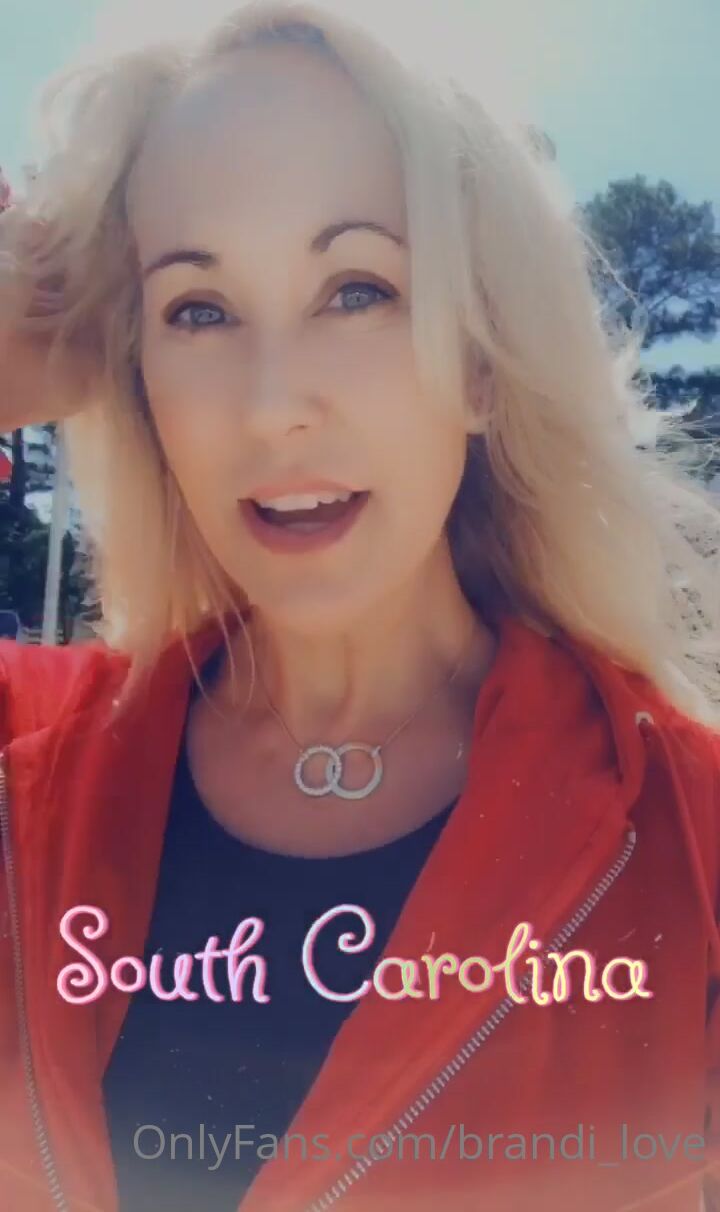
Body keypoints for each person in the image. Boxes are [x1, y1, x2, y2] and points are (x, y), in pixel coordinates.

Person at [1, 2, 720, 1209]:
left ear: (481, 361)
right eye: (197, 309)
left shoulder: (686, 842)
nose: (272, 405)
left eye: (357, 290)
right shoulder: (25, 775)